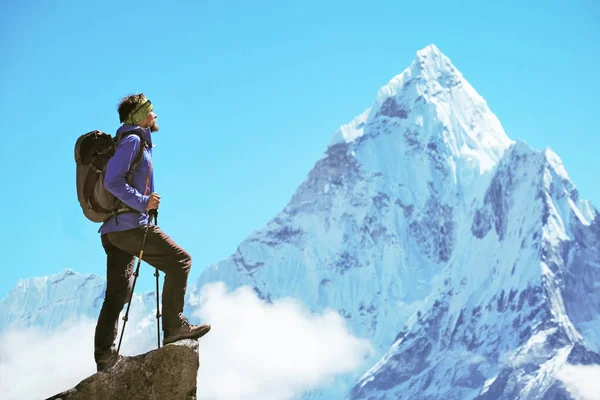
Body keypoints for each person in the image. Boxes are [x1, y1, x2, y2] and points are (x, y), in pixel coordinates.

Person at [94, 93, 211, 372]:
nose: (155, 114)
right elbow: (112, 180)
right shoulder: (134, 140)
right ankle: (174, 327)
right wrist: (143, 202)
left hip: (114, 231)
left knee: (117, 294)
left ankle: (104, 357)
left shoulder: (132, 141)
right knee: (180, 261)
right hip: (130, 226)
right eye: (150, 110)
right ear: (139, 116)